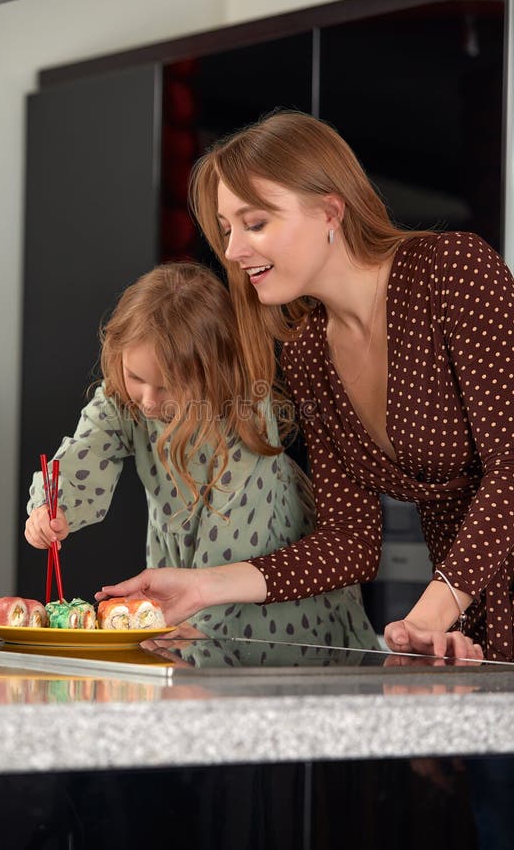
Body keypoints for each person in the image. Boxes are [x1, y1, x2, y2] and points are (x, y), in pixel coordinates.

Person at [98, 110, 514, 663]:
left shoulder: (452, 271)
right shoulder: (307, 350)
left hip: (457, 596)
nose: (233, 251)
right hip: (470, 607)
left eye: (255, 223)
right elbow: (349, 541)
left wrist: (428, 614)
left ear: (329, 212)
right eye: (226, 230)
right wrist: (204, 585)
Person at [26, 261, 376, 648]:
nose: (147, 400)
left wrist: (199, 617)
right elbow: (84, 455)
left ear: (213, 372)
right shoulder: (122, 402)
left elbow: (238, 537)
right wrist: (53, 509)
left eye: (167, 386)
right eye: (135, 377)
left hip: (274, 601)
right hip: (185, 595)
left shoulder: (245, 416)